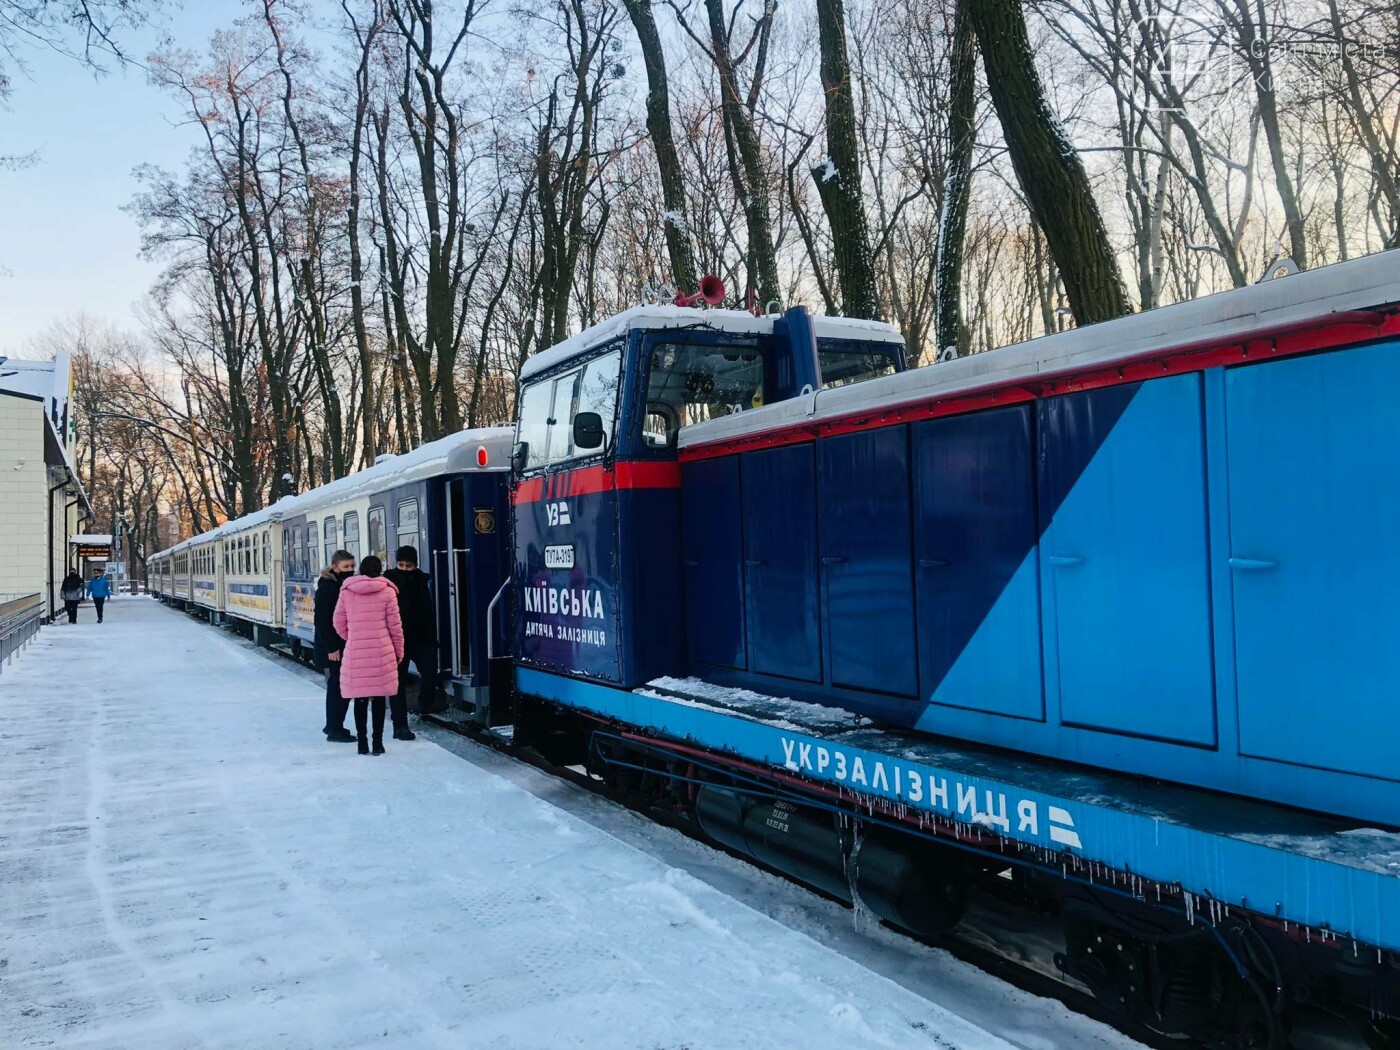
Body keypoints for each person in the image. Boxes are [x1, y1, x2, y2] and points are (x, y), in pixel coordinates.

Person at [333, 555, 404, 756]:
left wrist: (354, 637)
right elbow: (395, 627)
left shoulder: (347, 591)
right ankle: (378, 743)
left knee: (360, 699)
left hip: (356, 650)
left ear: (360, 571)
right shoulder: (388, 592)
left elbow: (338, 622)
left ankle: (362, 743)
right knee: (380, 700)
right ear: (380, 570)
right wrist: (398, 651)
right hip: (382, 651)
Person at [385, 544, 439, 735]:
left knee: (431, 672)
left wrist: (432, 637)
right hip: (396, 639)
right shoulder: (387, 581)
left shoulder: (422, 580)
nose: (405, 569)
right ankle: (400, 725)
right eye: (401, 565)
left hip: (420, 636)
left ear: (415, 565)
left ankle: (425, 704)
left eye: (409, 566)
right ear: (396, 563)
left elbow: (427, 610)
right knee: (397, 682)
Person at [314, 550, 358, 743]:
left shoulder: (340, 585)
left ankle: (335, 725)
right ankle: (334, 728)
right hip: (333, 647)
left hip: (340, 645)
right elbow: (322, 621)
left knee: (340, 686)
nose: (349, 570)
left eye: (352, 566)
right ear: (335, 567)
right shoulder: (328, 588)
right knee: (338, 687)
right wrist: (332, 648)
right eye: (345, 567)